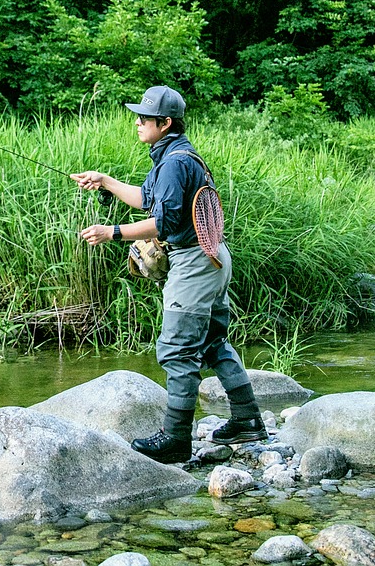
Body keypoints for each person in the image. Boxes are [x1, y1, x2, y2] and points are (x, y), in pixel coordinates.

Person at [72, 84, 266, 464]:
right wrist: (107, 182)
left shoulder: (175, 161)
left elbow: (164, 221)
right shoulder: (175, 156)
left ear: (165, 122)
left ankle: (176, 440)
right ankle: (248, 420)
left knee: (177, 350)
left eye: (144, 118)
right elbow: (148, 198)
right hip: (213, 257)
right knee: (212, 343)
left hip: (194, 263)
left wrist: (111, 232)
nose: (138, 123)